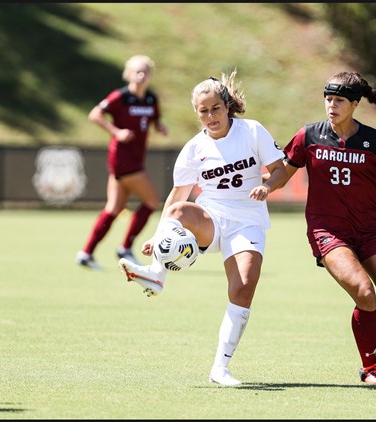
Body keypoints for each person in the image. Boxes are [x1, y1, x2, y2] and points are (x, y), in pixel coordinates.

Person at [264, 70, 376, 385]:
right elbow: (284, 174)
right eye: (328, 99)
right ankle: (370, 369)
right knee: (364, 292)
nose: (331, 106)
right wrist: (265, 187)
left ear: (355, 104)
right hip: (328, 233)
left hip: (370, 232)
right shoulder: (308, 136)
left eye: (339, 101)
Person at [118, 70, 287, 387]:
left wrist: (268, 188)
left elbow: (279, 170)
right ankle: (156, 276)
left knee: (243, 287)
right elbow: (177, 196)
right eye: (203, 111)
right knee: (180, 209)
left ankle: (220, 368)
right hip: (212, 217)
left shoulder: (251, 131)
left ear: (227, 106)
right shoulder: (194, 148)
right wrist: (158, 236)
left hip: (248, 219)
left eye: (215, 109)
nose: (211, 116)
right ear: (197, 114)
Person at [75, 55, 168, 270]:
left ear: (150, 75)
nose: (141, 75)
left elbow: (153, 120)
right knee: (152, 201)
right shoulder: (121, 96)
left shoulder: (151, 99)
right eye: (137, 71)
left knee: (114, 208)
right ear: (128, 74)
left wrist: (159, 127)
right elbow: (95, 114)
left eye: (145, 71)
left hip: (135, 159)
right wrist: (116, 131)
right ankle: (125, 248)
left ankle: (86, 253)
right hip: (123, 159)